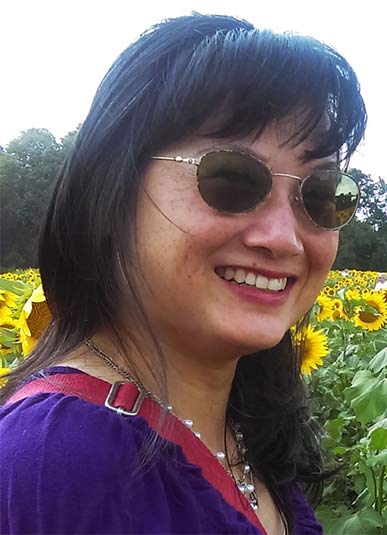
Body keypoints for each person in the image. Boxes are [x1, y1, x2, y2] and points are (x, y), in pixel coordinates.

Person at [0, 13, 366, 534]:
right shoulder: (55, 463)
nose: (283, 238)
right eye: (233, 179)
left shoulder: (247, 430)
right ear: (112, 193)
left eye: (324, 194)